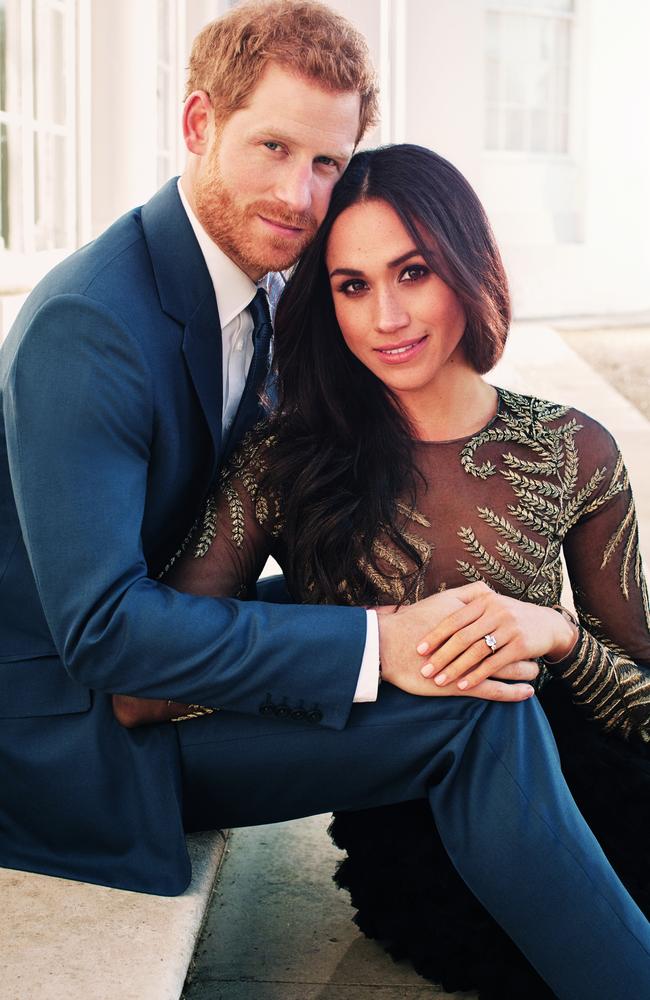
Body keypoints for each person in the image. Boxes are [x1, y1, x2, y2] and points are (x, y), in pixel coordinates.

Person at [0, 0, 533, 899]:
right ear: (200, 123)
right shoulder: (90, 325)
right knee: (475, 712)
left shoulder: (266, 285)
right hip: (68, 738)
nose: (300, 196)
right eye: (274, 149)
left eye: (327, 162)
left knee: (463, 622)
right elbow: (101, 635)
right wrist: (369, 642)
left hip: (169, 650)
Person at [157, 143, 650, 999]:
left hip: (597, 797)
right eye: (353, 285)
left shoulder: (573, 450)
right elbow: (168, 660)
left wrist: (561, 636)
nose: (386, 316)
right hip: (423, 842)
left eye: (413, 271)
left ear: (467, 268)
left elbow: (644, 699)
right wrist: (356, 651)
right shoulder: (287, 461)